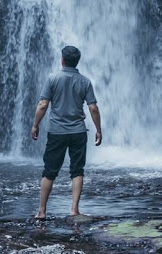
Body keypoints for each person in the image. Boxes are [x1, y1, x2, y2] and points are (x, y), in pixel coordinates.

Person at [30, 45, 102, 220]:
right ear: (77, 61)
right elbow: (93, 108)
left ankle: (41, 211)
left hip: (57, 132)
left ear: (62, 59)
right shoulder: (85, 81)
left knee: (49, 171)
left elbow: (43, 105)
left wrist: (35, 125)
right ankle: (74, 209)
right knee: (77, 170)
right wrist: (99, 130)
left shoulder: (52, 78)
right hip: (78, 131)